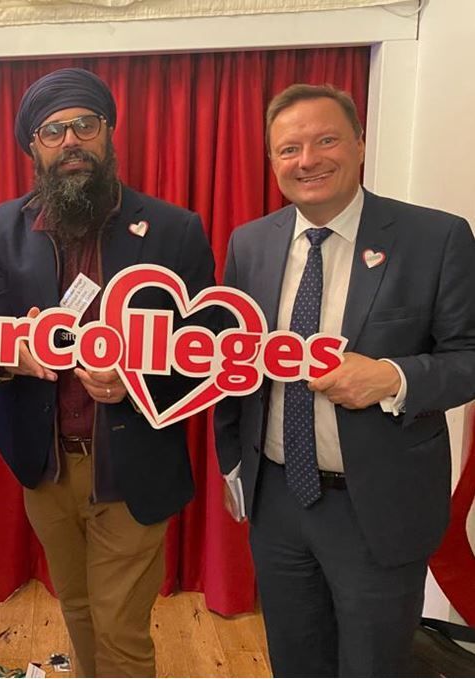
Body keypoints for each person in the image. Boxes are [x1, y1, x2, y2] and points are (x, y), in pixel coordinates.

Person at [214, 83, 475, 676]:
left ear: (360, 144)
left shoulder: (435, 239)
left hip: (379, 506)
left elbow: (469, 356)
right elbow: (233, 367)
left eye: (326, 140)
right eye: (289, 148)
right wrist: (234, 462)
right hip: (277, 500)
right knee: (295, 661)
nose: (308, 160)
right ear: (272, 160)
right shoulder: (250, 244)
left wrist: (391, 377)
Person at [0, 68, 216, 677]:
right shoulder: (5, 225)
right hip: (45, 462)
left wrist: (135, 382)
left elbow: (209, 348)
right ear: (33, 147)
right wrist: (12, 355)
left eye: (85, 124)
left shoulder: (174, 229)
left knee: (120, 628)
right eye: (53, 131)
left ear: (108, 133)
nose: (70, 140)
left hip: (132, 462)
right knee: (77, 607)